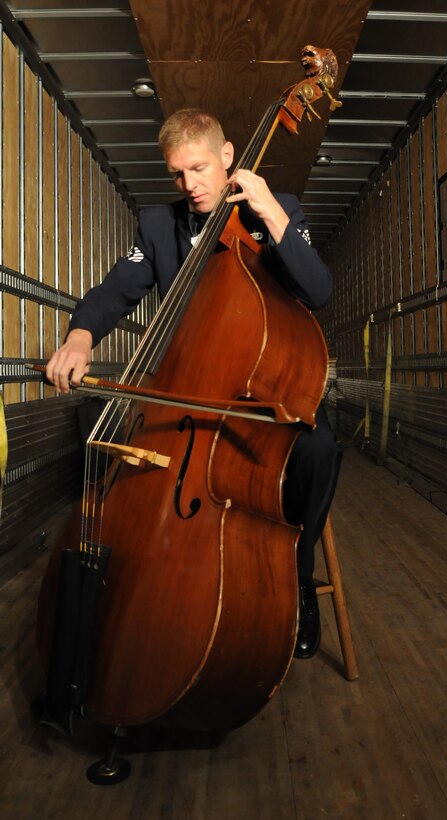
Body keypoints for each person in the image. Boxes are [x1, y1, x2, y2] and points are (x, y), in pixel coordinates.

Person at [46, 108, 342, 659]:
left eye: (199, 168)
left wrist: (273, 213)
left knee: (319, 448)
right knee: (98, 423)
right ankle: (137, 573)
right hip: (186, 385)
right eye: (177, 174)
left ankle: (297, 579)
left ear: (228, 155)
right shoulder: (160, 227)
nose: (190, 185)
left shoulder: (274, 214)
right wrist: (82, 336)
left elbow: (318, 290)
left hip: (263, 387)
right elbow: (116, 290)